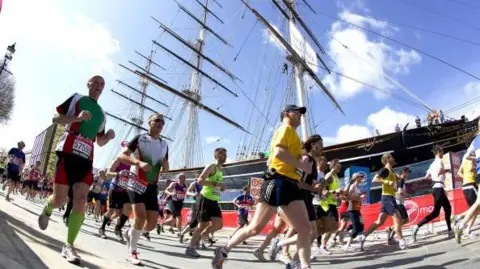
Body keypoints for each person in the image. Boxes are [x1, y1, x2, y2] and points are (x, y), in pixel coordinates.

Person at [211, 105, 313, 269]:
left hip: (292, 184)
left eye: (302, 113)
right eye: (298, 112)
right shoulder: (285, 129)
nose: (301, 115)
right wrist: (303, 165)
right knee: (254, 228)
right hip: (277, 182)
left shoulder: (294, 136)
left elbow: (274, 158)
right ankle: (223, 250)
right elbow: (279, 153)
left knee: (305, 228)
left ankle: (302, 265)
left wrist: (303, 160)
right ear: (287, 114)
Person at [37, 75, 115, 264]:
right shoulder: (77, 98)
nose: (98, 86)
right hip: (68, 151)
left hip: (87, 157)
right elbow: (56, 118)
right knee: (60, 199)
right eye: (95, 82)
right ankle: (48, 208)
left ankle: (69, 245)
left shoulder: (102, 114)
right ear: (88, 84)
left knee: (80, 201)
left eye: (102, 84)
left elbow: (100, 141)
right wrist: (76, 118)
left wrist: (109, 137)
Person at [118, 112, 169, 265]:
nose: (160, 124)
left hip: (152, 186)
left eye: (162, 122)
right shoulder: (140, 138)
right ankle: (131, 251)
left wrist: (165, 166)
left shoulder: (164, 144)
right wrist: (138, 163)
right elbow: (122, 156)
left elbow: (165, 165)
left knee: (152, 224)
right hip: (136, 181)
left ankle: (131, 232)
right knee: (140, 217)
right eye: (157, 121)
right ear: (149, 123)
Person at [268, 134, 323, 268]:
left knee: (312, 233)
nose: (322, 147)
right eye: (320, 144)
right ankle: (285, 249)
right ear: (313, 144)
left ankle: (292, 259)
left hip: (308, 197)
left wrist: (318, 187)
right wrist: (313, 188)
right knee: (310, 233)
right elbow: (298, 183)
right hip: (302, 197)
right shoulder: (307, 159)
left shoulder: (312, 162)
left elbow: (308, 182)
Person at [359, 153, 408, 251]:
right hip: (387, 198)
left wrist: (401, 178)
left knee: (380, 221)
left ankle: (363, 236)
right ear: (387, 159)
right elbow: (374, 179)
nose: (394, 159)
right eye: (392, 157)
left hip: (389, 197)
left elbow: (396, 180)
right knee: (398, 217)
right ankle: (401, 240)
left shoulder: (391, 171)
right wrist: (387, 182)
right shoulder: (385, 170)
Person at [186, 148, 227, 257]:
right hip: (205, 199)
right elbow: (200, 180)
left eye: (226, 154)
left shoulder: (220, 170)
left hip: (214, 201)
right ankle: (190, 247)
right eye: (223, 154)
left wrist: (221, 187)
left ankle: (204, 234)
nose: (225, 156)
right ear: (217, 155)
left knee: (219, 224)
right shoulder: (211, 167)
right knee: (202, 224)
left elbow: (216, 185)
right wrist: (216, 184)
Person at [412, 146, 453, 242]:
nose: (443, 153)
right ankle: (417, 226)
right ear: (438, 152)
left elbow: (426, 177)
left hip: (437, 188)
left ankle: (450, 230)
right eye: (442, 151)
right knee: (436, 212)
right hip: (438, 188)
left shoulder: (432, 164)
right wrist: (446, 171)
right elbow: (439, 171)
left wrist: (434, 177)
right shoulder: (439, 161)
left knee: (447, 208)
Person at [100, 144, 133, 241]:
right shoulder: (118, 160)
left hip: (126, 190)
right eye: (126, 151)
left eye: (130, 151)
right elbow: (108, 174)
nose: (128, 153)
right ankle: (102, 228)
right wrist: (118, 173)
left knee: (127, 210)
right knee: (111, 211)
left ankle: (118, 229)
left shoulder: (133, 163)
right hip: (115, 189)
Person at [386, 167, 411, 244]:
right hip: (399, 203)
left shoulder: (398, 180)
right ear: (403, 173)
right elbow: (400, 192)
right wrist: (407, 194)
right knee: (405, 220)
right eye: (407, 172)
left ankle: (391, 235)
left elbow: (396, 191)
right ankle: (391, 229)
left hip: (397, 202)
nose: (408, 174)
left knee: (399, 221)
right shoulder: (401, 180)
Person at [456, 156, 478, 238]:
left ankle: (467, 229)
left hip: (465, 185)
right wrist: (476, 167)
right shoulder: (472, 157)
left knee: (474, 209)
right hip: (471, 184)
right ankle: (459, 220)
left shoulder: (465, 157)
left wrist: (465, 178)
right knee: (476, 208)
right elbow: (471, 168)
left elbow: (459, 172)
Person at [343, 172, 365, 251]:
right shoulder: (352, 186)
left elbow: (356, 197)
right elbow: (349, 197)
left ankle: (347, 231)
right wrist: (359, 197)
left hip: (357, 209)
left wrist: (361, 198)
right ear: (356, 178)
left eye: (361, 177)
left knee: (361, 226)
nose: (361, 179)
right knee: (356, 228)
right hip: (352, 209)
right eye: (360, 177)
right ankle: (347, 244)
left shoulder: (357, 186)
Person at [179, 174, 202, 242]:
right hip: (195, 204)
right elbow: (187, 192)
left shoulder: (206, 183)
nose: (202, 178)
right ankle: (183, 233)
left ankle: (197, 239)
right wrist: (194, 194)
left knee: (200, 222)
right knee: (193, 222)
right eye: (200, 176)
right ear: (197, 177)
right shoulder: (194, 183)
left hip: (204, 204)